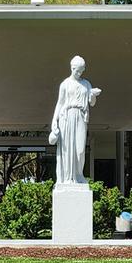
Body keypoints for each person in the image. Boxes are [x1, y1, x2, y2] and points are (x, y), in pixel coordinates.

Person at [47, 55, 101, 186]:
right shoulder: (65, 84)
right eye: (77, 70)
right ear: (72, 68)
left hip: (81, 116)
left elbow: (92, 103)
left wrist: (93, 95)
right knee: (67, 148)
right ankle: (68, 178)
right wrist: (54, 120)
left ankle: (78, 175)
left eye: (82, 71)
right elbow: (59, 103)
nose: (79, 73)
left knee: (80, 149)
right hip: (67, 116)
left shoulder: (86, 84)